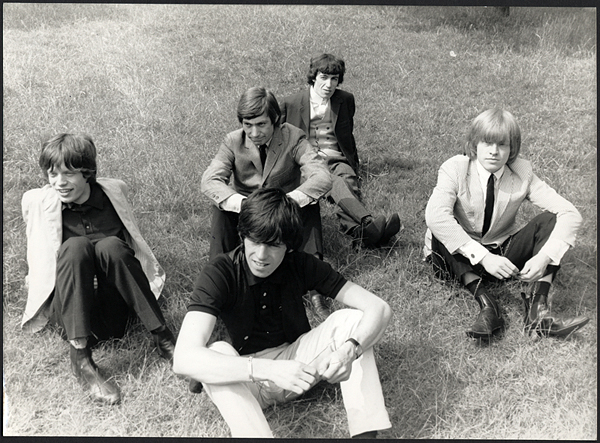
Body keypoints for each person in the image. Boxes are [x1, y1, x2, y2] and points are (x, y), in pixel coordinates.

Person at [173, 187, 393, 438]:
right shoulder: (220, 272)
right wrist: (266, 369)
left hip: (299, 368)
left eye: (274, 245)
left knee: (350, 320)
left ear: (288, 246)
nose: (261, 256)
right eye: (254, 241)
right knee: (216, 351)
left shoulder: (300, 264)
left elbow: (379, 308)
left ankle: (365, 434)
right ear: (242, 235)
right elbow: (183, 358)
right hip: (243, 382)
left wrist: (349, 351)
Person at [21, 133, 176, 405]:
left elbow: (131, 247)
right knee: (76, 247)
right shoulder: (37, 202)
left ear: (88, 173)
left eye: (69, 174)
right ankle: (81, 359)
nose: (59, 182)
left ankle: (163, 339)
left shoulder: (113, 193)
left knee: (111, 246)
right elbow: (37, 258)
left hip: (116, 312)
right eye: (52, 173)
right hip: (70, 316)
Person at [424, 109, 590, 339]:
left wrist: (545, 257)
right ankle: (488, 304)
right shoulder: (455, 168)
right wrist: (483, 257)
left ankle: (537, 311)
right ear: (474, 144)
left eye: (502, 144)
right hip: (456, 261)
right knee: (441, 227)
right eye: (487, 143)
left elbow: (570, 213)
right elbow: (435, 216)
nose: (494, 151)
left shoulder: (521, 172)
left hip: (501, 253)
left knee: (551, 220)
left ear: (512, 148)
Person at [280, 53, 401, 250]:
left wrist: (352, 161)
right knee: (334, 182)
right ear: (313, 77)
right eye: (324, 78)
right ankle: (366, 223)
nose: (329, 84)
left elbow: (347, 134)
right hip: (307, 161)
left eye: (334, 79)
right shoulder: (291, 103)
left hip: (336, 158)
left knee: (347, 179)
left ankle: (360, 234)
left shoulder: (345, 100)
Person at [201, 86, 332, 262]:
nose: (254, 133)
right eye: (248, 125)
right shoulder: (232, 141)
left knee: (309, 203)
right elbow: (210, 180)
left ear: (275, 119)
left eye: (261, 124)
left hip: (283, 211)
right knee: (221, 207)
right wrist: (244, 204)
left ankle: (313, 270)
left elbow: (321, 176)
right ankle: (219, 268)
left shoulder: (293, 138)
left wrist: (287, 202)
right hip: (247, 211)